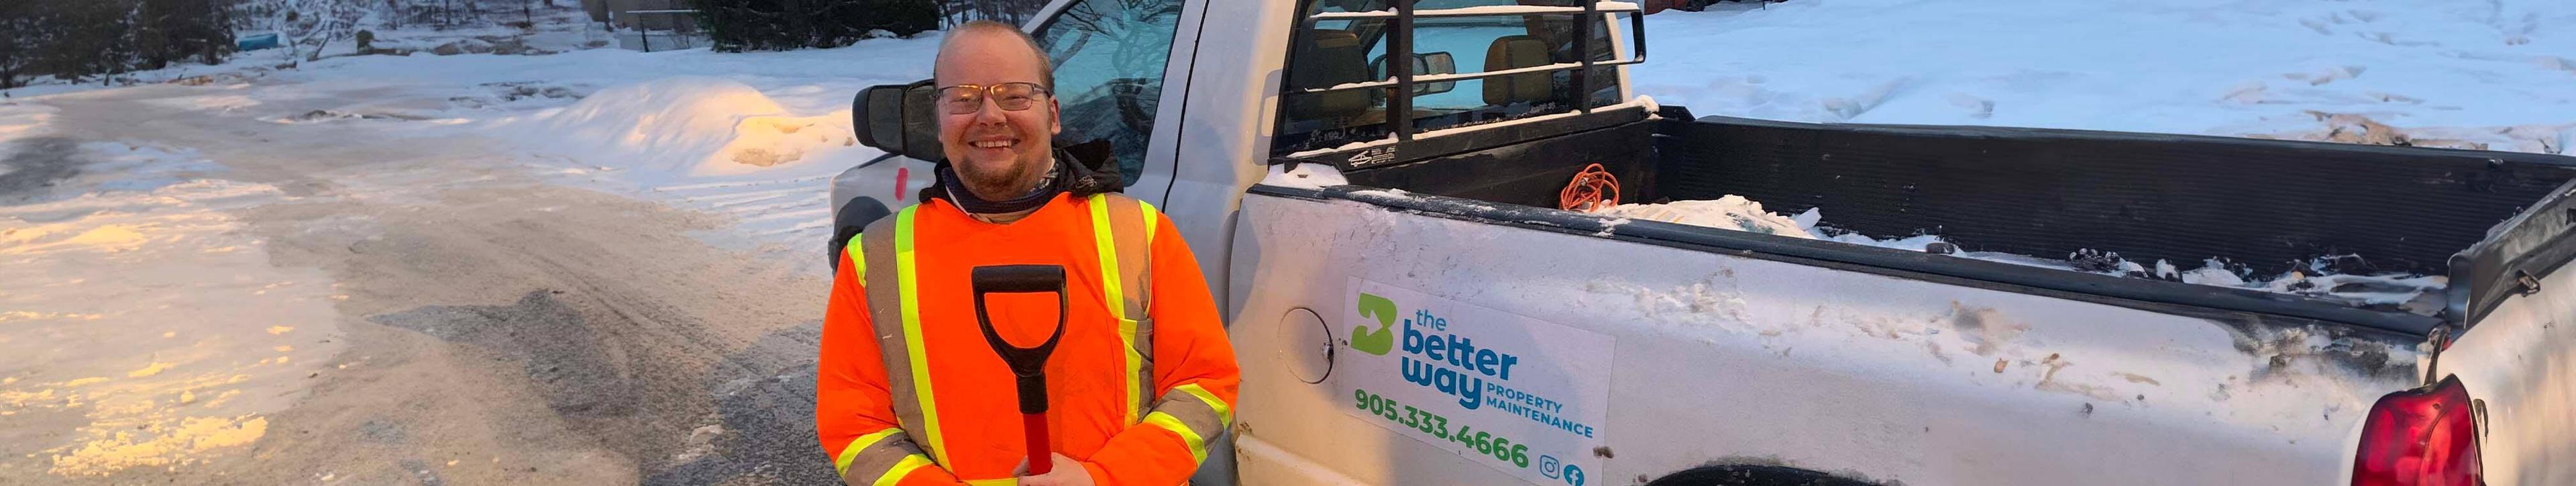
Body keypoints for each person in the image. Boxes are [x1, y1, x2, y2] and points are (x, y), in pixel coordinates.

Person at [816, 20, 1240, 486]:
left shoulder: (1139, 234)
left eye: (1015, 94)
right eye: (963, 98)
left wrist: (1105, 478)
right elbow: (854, 426)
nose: (991, 115)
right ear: (938, 119)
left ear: (1053, 114)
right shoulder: (874, 260)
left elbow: (1204, 387)